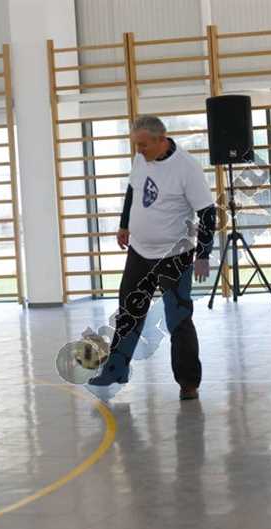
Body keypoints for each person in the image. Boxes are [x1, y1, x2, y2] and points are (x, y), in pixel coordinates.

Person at [88, 115, 216, 400]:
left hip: (174, 255)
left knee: (178, 320)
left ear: (161, 139)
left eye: (143, 145)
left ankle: (188, 382)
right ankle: (116, 370)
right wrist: (124, 225)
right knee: (128, 313)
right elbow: (133, 191)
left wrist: (203, 255)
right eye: (136, 145)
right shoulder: (141, 158)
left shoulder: (187, 168)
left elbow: (208, 213)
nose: (138, 150)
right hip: (140, 252)